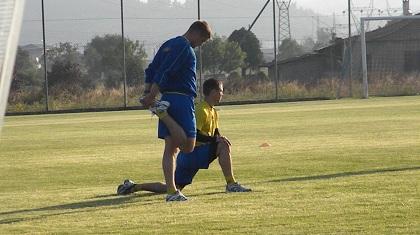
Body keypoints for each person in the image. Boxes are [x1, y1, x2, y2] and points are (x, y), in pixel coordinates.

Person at [117, 79, 251, 199]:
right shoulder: (201, 109)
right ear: (214, 92)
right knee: (223, 146)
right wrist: (216, 141)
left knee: (171, 187)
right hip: (192, 153)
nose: (222, 94)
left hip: (190, 156)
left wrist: (219, 138)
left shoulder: (213, 111)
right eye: (221, 91)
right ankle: (231, 184)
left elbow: (215, 134)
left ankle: (134, 186)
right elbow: (195, 135)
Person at [137, 21, 212, 202]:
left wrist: (148, 92)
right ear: (196, 32)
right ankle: (162, 113)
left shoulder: (168, 44)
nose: (199, 44)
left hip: (167, 99)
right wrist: (151, 96)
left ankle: (171, 191)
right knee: (188, 146)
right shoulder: (184, 47)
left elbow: (151, 69)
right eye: (201, 40)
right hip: (181, 99)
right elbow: (166, 72)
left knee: (171, 148)